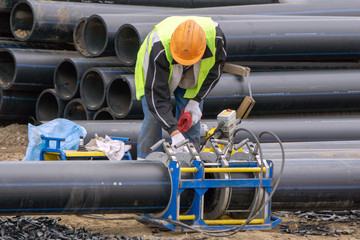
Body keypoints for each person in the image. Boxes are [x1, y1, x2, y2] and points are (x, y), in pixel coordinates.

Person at [135, 16, 227, 159]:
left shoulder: (216, 38)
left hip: (192, 73)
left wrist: (196, 101)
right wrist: (174, 132)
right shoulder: (159, 47)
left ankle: (191, 162)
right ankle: (146, 163)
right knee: (153, 119)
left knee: (189, 122)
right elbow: (156, 97)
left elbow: (215, 70)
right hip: (156, 67)